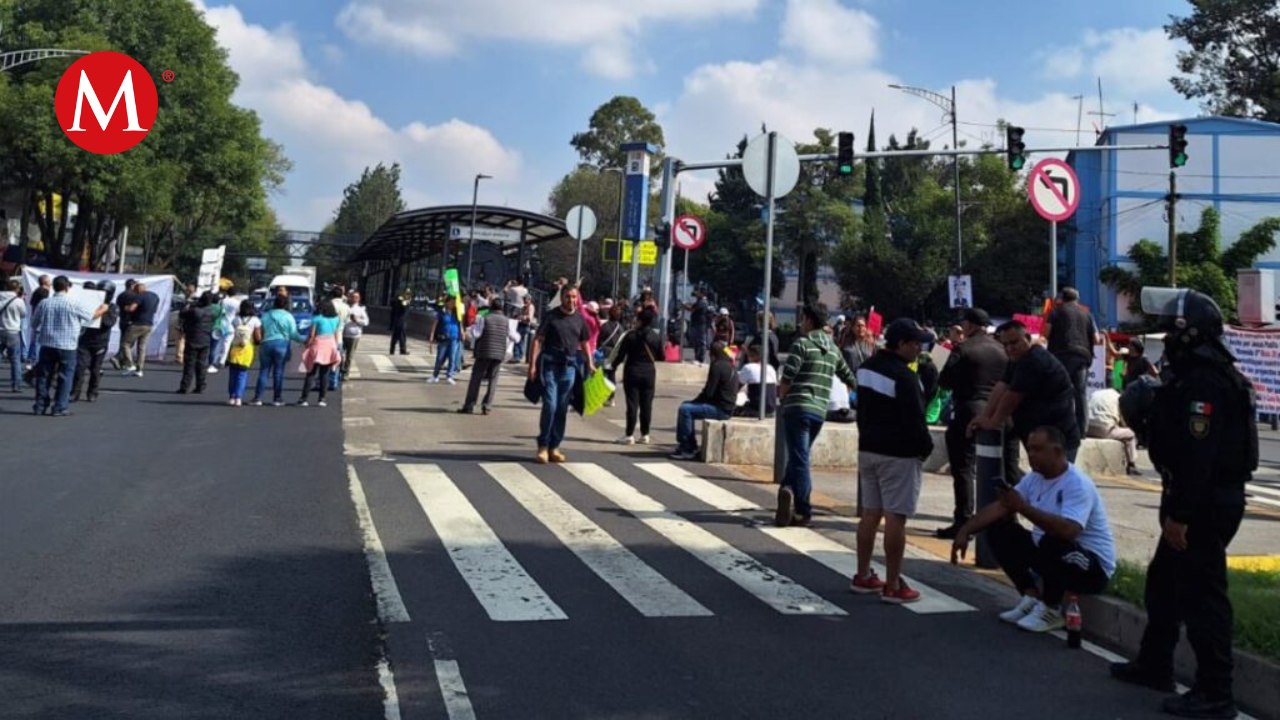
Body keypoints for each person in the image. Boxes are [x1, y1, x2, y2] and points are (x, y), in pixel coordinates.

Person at [1110, 288, 1257, 720]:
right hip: (1194, 497)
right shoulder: (1197, 373)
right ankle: (1155, 665)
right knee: (1164, 585)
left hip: (1204, 503)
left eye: (1172, 329)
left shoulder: (1205, 381)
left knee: (1203, 597)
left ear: (1189, 332)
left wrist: (1181, 516)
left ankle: (1216, 692)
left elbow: (1199, 457)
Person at [951, 426, 1116, 631]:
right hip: (1054, 552)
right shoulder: (1034, 478)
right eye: (1029, 449)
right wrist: (966, 530)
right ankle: (1030, 597)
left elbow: (1069, 531)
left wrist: (1022, 508)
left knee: (1052, 540)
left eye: (1038, 449)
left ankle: (1051, 609)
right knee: (1000, 528)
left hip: (1090, 567)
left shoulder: (1077, 484)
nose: (1031, 455)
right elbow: (1002, 507)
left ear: (1057, 452)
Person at [850, 318, 935, 603]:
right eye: (915, 343)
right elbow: (915, 418)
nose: (919, 349)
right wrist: (925, 448)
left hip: (868, 448)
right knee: (896, 517)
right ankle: (894, 582)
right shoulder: (905, 377)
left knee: (870, 514)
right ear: (901, 344)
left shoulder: (865, 369)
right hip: (899, 453)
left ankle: (863, 574)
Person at [936, 308, 1022, 539]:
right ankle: (1008, 518)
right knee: (1003, 469)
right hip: (1003, 414)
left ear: (971, 325)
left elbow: (944, 381)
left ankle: (964, 520)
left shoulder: (963, 349)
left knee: (963, 468)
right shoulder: (1004, 350)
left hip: (969, 410)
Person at [775, 304, 857, 527]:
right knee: (799, 455)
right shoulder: (833, 350)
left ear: (809, 321)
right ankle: (787, 488)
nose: (801, 324)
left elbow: (787, 378)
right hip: (819, 411)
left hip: (797, 407)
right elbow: (849, 377)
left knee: (800, 459)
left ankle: (802, 509)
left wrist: (782, 397)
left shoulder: (802, 344)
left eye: (803, 320)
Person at [972, 320, 1081, 461]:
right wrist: (985, 416)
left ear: (1027, 338)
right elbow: (1002, 385)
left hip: (1057, 439)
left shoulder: (1034, 360)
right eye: (1005, 345)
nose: (1010, 348)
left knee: (1056, 481)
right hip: (1038, 435)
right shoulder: (1017, 359)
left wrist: (994, 422)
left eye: (1014, 342)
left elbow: (1012, 397)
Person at [528, 285, 594, 464]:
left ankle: (554, 446)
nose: (571, 300)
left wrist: (590, 362)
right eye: (568, 297)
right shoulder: (551, 316)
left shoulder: (579, 319)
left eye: (574, 297)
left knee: (562, 408)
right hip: (550, 365)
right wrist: (532, 365)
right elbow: (538, 340)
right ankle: (543, 445)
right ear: (562, 297)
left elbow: (585, 342)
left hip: (569, 367)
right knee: (550, 404)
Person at [31, 276, 110, 415]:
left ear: (53, 287)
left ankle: (40, 405)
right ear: (67, 287)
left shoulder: (44, 303)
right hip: (68, 345)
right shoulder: (73, 303)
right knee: (65, 377)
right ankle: (59, 407)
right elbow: (90, 316)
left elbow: (34, 323)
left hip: (47, 344)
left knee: (44, 376)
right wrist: (103, 309)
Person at [1042, 287, 1100, 440]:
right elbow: (1097, 339)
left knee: (1059, 392)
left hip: (1060, 355)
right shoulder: (1087, 314)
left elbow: (1046, 333)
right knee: (1080, 394)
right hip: (1082, 357)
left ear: (1062, 298)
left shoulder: (1056, 311)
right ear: (1077, 299)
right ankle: (1082, 430)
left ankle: (1060, 428)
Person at [670, 340, 739, 459]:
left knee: (685, 409)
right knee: (687, 407)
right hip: (727, 406)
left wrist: (695, 401)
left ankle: (687, 447)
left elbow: (709, 392)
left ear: (712, 354)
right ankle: (689, 444)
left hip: (720, 409)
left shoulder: (717, 366)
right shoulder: (730, 365)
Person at [609, 307, 665, 445]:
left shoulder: (631, 336)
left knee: (632, 404)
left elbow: (620, 355)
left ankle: (629, 434)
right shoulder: (656, 337)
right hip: (649, 373)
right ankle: (645, 434)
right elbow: (662, 356)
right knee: (647, 404)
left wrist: (613, 366)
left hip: (632, 372)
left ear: (639, 320)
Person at [459, 297, 519, 415]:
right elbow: (515, 337)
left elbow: (477, 334)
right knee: (493, 380)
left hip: (484, 352)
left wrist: (470, 329)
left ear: (491, 306)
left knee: (476, 379)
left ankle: (469, 405)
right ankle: (487, 406)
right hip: (498, 354)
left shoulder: (484, 318)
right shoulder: (506, 321)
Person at [71, 280, 120, 403]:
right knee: (79, 368)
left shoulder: (113, 307)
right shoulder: (90, 303)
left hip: (100, 342)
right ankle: (74, 392)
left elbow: (109, 323)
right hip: (85, 341)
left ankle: (92, 392)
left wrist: (102, 311)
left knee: (95, 370)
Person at [251, 294, 303, 406]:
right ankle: (277, 398)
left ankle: (257, 398)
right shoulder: (288, 316)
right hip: (282, 344)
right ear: (286, 305)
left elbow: (260, 329)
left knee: (264, 371)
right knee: (278, 372)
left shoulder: (266, 316)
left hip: (266, 344)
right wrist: (305, 340)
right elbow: (294, 335)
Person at [1087, 387, 1141, 475]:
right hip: (1104, 430)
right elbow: (1123, 421)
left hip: (1088, 427)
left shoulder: (1096, 393)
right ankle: (1132, 464)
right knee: (1131, 434)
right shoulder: (1119, 398)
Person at [298, 299, 342, 407]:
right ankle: (322, 399)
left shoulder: (317, 319)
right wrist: (336, 347)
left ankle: (304, 399)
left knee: (311, 373)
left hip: (318, 345)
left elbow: (312, 334)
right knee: (325, 374)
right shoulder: (336, 319)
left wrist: (307, 343)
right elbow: (336, 333)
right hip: (330, 345)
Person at [177, 292, 217, 395]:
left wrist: (189, 303)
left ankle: (185, 386)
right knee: (201, 364)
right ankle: (200, 385)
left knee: (189, 364)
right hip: (205, 339)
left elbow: (182, 313)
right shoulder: (212, 312)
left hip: (193, 339)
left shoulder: (195, 311)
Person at [226, 299, 263, 406]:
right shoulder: (255, 320)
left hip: (235, 347)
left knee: (233, 373)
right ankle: (238, 397)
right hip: (247, 348)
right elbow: (258, 337)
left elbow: (234, 331)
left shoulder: (236, 319)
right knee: (242, 374)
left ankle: (231, 396)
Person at [734, 343, 777, 417]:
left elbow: (737, 386)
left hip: (757, 409)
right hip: (771, 409)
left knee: (733, 410)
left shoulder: (748, 367)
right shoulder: (771, 368)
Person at [0, 279, 27, 393]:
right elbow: (23, 314)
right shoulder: (18, 301)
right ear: (17, 289)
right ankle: (16, 384)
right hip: (13, 331)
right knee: (15, 360)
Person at [428, 296, 462, 385]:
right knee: (440, 358)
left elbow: (460, 323)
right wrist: (431, 338)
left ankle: (449, 376)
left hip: (454, 338)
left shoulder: (457, 313)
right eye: (451, 302)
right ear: (447, 303)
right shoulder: (441, 313)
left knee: (452, 357)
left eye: (454, 302)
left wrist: (462, 333)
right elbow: (434, 325)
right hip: (443, 338)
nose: (452, 304)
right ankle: (435, 376)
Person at [341, 291, 369, 380]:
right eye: (352, 297)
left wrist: (357, 320)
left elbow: (366, 322)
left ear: (359, 299)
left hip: (354, 335)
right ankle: (340, 370)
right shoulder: (345, 307)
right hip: (342, 334)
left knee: (349, 356)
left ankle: (346, 372)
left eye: (356, 297)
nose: (354, 299)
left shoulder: (360, 309)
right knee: (340, 354)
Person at [25, 274, 51, 367]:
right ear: (45, 282)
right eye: (49, 280)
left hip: (36, 319)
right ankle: (33, 360)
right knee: (37, 341)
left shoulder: (37, 291)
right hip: (41, 320)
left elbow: (33, 305)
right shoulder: (43, 292)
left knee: (34, 340)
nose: (50, 282)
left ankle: (30, 359)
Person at [685, 290, 711, 365]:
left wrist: (685, 306)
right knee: (696, 341)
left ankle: (701, 359)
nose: (696, 294)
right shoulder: (699, 301)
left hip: (701, 324)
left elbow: (692, 309)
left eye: (698, 293)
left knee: (701, 342)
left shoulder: (703, 302)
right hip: (696, 324)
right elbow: (692, 306)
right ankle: (697, 357)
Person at [514, 294, 536, 363]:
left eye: (525, 299)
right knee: (518, 340)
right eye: (524, 299)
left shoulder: (531, 307)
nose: (524, 301)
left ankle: (518, 356)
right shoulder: (524, 307)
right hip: (520, 324)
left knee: (519, 341)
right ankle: (517, 356)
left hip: (525, 325)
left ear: (529, 300)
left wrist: (522, 317)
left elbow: (529, 317)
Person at [389, 289, 411, 355]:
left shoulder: (397, 300)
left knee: (395, 336)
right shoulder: (402, 301)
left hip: (397, 321)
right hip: (401, 321)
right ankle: (402, 350)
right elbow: (404, 306)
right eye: (408, 294)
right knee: (402, 336)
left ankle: (392, 350)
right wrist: (407, 301)